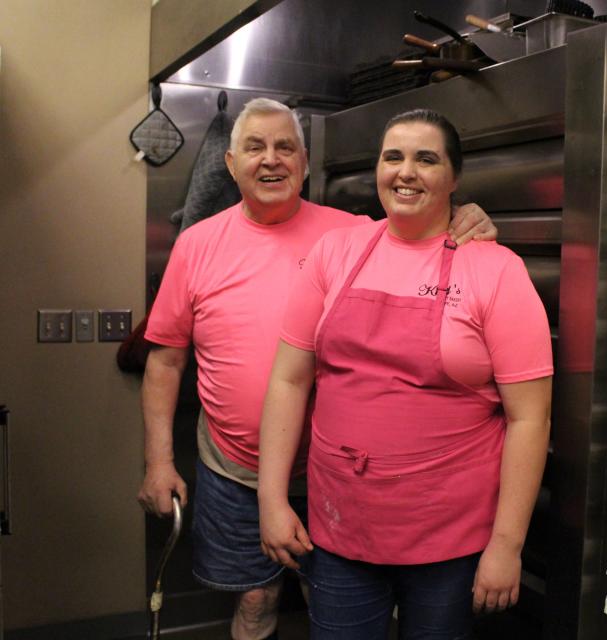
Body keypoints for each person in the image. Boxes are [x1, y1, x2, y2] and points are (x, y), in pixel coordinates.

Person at [136, 98, 496, 640]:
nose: (271, 160)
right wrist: (158, 462)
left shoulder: (354, 233)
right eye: (255, 147)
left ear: (304, 163)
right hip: (234, 470)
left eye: (285, 147)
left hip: (338, 474)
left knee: (336, 606)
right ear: (231, 165)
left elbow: (422, 228)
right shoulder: (196, 244)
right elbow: (164, 361)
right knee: (256, 600)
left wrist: (467, 215)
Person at [258, 108, 553, 639]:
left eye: (426, 159)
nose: (405, 172)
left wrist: (506, 545)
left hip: (450, 539)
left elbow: (529, 419)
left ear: (454, 178)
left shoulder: (495, 269)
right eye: (393, 157)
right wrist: (272, 500)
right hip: (341, 525)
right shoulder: (337, 251)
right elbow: (288, 380)